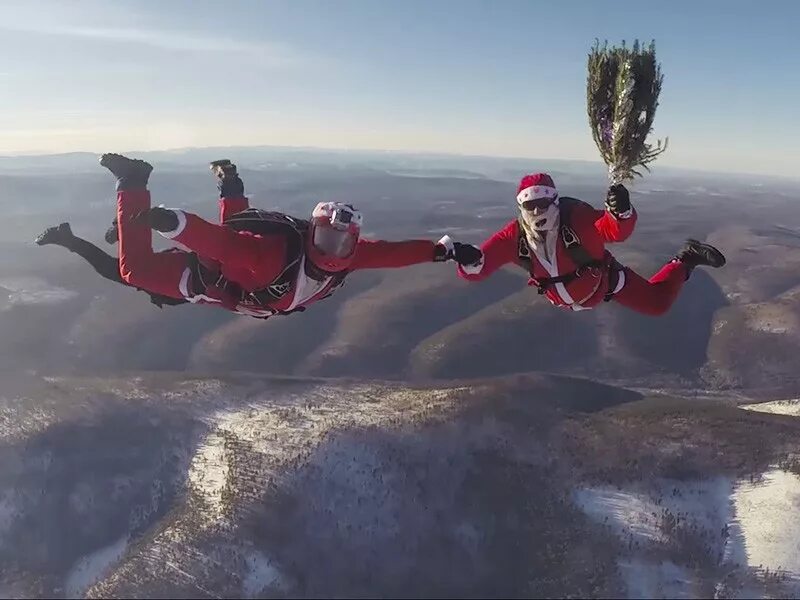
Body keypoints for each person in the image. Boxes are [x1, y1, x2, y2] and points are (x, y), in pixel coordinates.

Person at [101, 153, 482, 318]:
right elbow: (220, 243)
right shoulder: (276, 256)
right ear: (312, 232)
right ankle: (131, 183)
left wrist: (444, 251)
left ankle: (230, 185)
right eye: (328, 239)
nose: (333, 251)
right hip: (219, 278)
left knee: (237, 243)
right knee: (135, 271)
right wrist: (172, 223)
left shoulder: (349, 255)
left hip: (234, 275)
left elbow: (394, 254)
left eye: (341, 242)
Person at [456, 172, 726, 315]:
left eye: (543, 204)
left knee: (657, 304)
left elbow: (614, 231)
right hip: (573, 296)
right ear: (521, 207)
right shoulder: (513, 236)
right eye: (530, 206)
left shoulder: (577, 219)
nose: (537, 211)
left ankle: (686, 259)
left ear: (555, 202)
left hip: (606, 282)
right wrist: (467, 260)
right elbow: (480, 267)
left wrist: (621, 212)